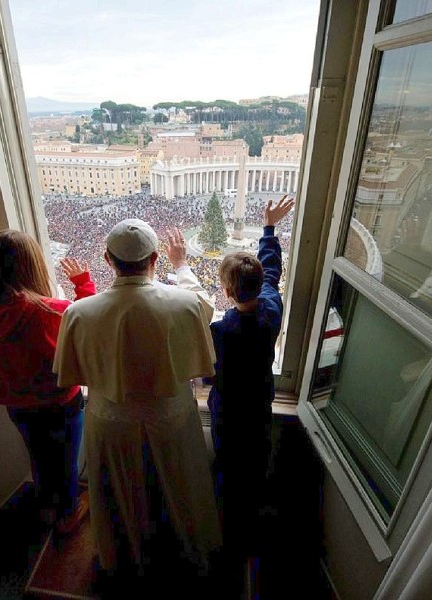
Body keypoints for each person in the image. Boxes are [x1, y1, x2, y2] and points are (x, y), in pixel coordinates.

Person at [53, 219, 221, 581]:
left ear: (107, 260)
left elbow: (71, 373)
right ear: (155, 258)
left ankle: (122, 558)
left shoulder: (78, 313)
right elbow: (206, 305)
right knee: (178, 490)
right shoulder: (187, 304)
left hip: (109, 420)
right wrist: (182, 266)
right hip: (172, 418)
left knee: (118, 494)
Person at [0, 229, 95, 535]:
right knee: (65, 463)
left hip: (17, 406)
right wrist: (83, 284)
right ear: (32, 264)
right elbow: (86, 328)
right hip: (59, 405)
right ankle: (68, 514)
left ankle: (48, 509)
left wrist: (2, 392)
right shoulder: (47, 310)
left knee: (38, 458)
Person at [206, 194, 294, 576]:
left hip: (227, 413)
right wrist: (269, 229)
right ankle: (251, 535)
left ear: (226, 291)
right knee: (256, 467)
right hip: (259, 406)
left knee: (226, 470)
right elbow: (272, 273)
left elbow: (207, 371)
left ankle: (226, 534)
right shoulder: (272, 308)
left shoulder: (220, 331)